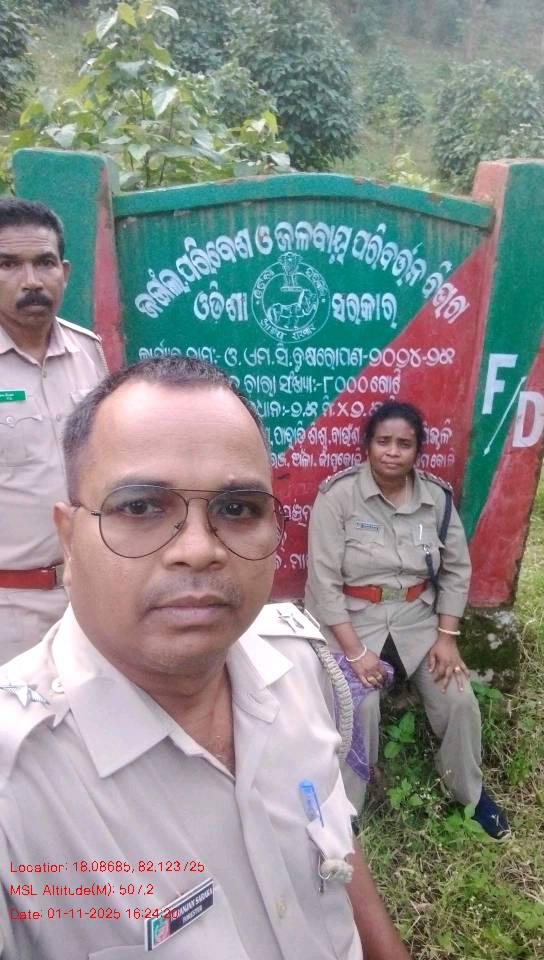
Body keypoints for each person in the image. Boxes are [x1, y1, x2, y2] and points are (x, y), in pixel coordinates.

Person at [0, 357, 411, 960]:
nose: (198, 550)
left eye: (237, 509)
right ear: (68, 538)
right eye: (140, 507)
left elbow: (334, 845)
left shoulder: (298, 665)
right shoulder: (16, 786)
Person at [305, 400, 510, 841]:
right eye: (384, 441)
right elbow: (323, 582)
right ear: (367, 445)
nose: (393, 452)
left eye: (404, 443)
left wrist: (447, 636)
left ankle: (470, 794)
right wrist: (355, 653)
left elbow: (456, 570)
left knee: (458, 699)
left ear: (418, 450)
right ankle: (348, 806)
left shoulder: (435, 499)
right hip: (353, 620)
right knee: (359, 704)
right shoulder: (337, 496)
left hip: (418, 620)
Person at [0, 198, 107, 661]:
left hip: (92, 597)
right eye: (8, 264)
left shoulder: (89, 353)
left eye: (44, 262)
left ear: (64, 272)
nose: (31, 281)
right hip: (9, 608)